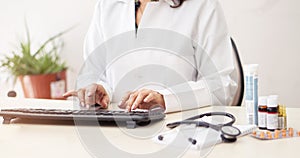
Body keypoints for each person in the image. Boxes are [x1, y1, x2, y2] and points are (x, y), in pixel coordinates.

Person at [64, 0, 238, 113]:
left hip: (180, 131)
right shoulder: (107, 6)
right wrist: (99, 90)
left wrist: (164, 99)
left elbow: (221, 86)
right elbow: (93, 72)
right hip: (115, 128)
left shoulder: (203, 6)